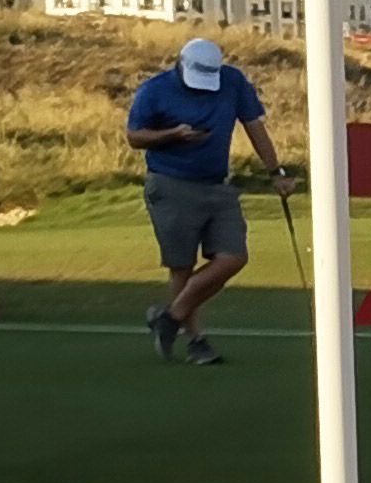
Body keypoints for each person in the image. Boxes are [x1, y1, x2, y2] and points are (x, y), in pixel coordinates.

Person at [125, 37, 292, 367]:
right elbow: (135, 137)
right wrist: (172, 134)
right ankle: (196, 342)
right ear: (180, 65)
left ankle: (169, 318)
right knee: (182, 267)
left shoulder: (232, 81)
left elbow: (254, 126)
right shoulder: (154, 90)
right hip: (170, 184)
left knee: (233, 257)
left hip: (217, 185)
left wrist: (277, 171)